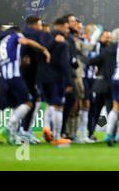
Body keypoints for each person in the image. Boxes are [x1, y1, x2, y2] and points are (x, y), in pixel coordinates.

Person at [0, 27, 50, 144]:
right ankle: (10, 127)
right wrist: (43, 49)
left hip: (4, 76)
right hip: (15, 76)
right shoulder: (16, 36)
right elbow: (26, 41)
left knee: (18, 105)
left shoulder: (2, 42)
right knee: (28, 102)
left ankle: (13, 134)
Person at [39, 18, 73, 146]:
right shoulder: (63, 43)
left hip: (43, 77)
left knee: (49, 104)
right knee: (58, 106)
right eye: (66, 27)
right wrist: (69, 82)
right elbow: (65, 64)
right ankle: (57, 137)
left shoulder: (46, 38)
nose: (67, 30)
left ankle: (46, 128)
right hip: (56, 78)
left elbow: (42, 51)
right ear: (60, 27)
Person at [20, 16, 45, 144]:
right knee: (30, 101)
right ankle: (22, 130)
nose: (41, 28)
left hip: (32, 73)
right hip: (26, 74)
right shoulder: (27, 35)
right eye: (40, 25)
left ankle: (26, 130)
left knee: (35, 101)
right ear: (34, 25)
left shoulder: (28, 35)